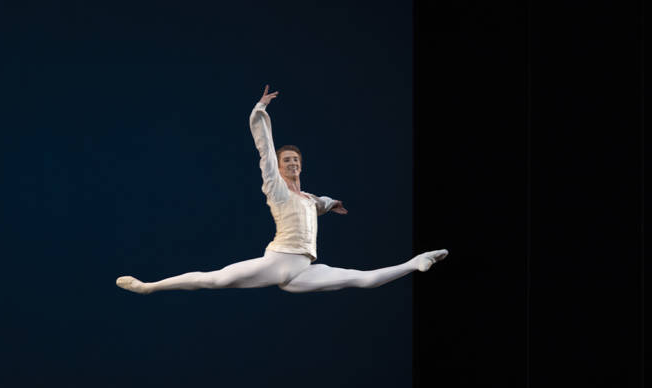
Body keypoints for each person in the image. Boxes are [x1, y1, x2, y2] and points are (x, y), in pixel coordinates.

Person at [115, 85, 447, 295]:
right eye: (286, 160)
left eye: (295, 160)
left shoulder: (308, 198)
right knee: (215, 279)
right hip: (276, 261)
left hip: (304, 270)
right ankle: (149, 286)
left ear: (301, 165)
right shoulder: (277, 188)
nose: (291, 163)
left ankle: (416, 261)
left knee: (361, 279)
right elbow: (265, 149)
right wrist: (259, 111)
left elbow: (318, 203)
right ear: (280, 165)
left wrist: (332, 204)